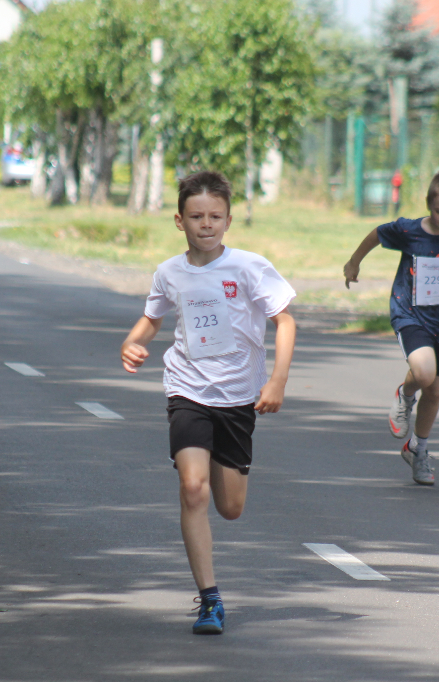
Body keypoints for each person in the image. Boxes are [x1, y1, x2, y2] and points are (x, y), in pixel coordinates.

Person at [120, 171, 296, 635]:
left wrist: (276, 381)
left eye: (215, 216)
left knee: (231, 507)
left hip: (238, 396)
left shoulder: (249, 267)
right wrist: (132, 342)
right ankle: (210, 600)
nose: (206, 224)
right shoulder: (169, 272)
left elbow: (286, 322)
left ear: (229, 220)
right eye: (196, 216)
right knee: (192, 489)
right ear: (180, 221)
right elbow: (151, 320)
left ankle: (212, 586)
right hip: (188, 390)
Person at [343, 169, 439, 486]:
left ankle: (417, 449)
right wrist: (354, 262)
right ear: (429, 205)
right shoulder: (409, 230)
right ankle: (405, 393)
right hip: (409, 313)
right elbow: (376, 234)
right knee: (424, 374)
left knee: (436, 392)